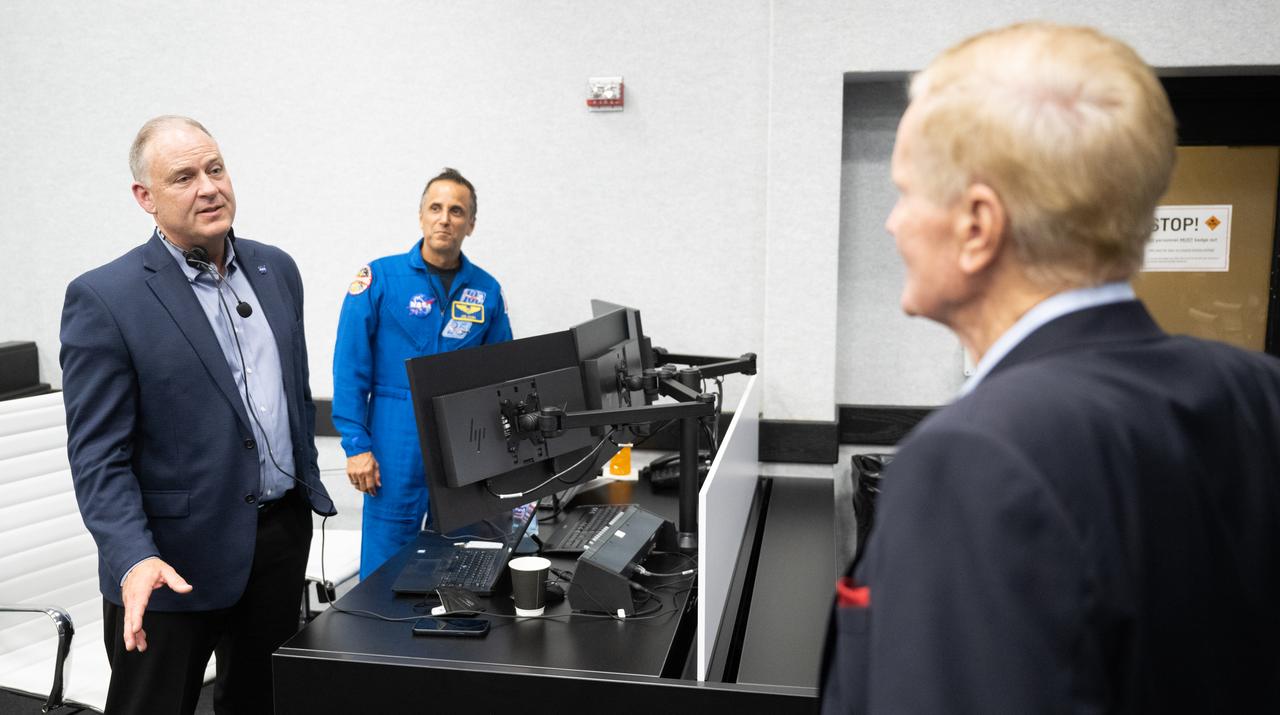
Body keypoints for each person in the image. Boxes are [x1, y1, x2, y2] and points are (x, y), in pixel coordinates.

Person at [820, 23, 1280, 714]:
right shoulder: (1259, 392)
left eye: (906, 192)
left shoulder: (974, 461)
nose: (892, 224)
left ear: (978, 226)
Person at [60, 115, 335, 714]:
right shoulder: (107, 299)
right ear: (146, 198)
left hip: (276, 544)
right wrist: (132, 557)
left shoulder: (276, 270)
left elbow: (291, 393)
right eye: (183, 177)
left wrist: (303, 493)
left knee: (260, 705)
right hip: (168, 566)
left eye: (215, 168)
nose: (208, 187)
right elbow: (98, 459)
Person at [333, 168, 512, 578]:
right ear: (420, 216)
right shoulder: (379, 279)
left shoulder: (486, 291)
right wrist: (356, 446)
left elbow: (501, 377)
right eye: (435, 208)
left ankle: (454, 636)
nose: (444, 218)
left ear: (471, 224)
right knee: (386, 559)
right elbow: (349, 369)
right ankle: (377, 641)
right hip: (395, 435)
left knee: (461, 557)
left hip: (462, 440)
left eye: (456, 210)